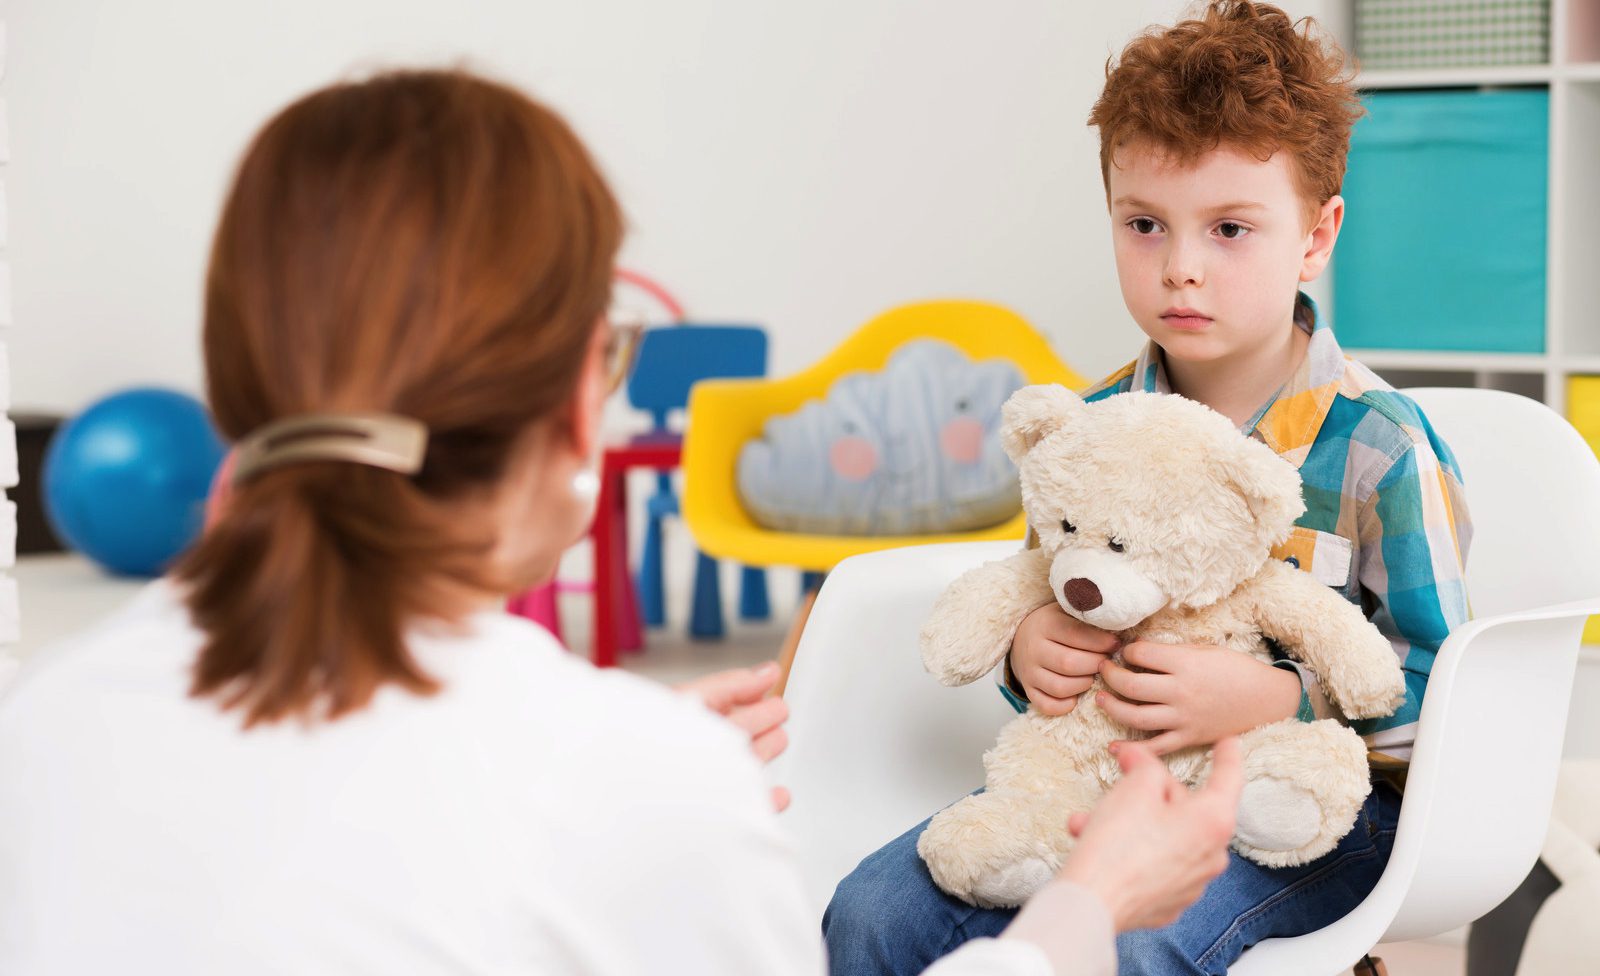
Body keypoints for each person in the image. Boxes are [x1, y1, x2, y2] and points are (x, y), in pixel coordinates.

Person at [0, 69, 1245, 976]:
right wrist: (1092, 901)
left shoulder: (47, 712)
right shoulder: (621, 785)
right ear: (566, 406)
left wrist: (622, 755)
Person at [822, 3, 1474, 974]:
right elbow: (1045, 595)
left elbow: (1448, 703)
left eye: (1228, 228)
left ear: (1314, 234)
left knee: (1127, 943)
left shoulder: (1378, 445)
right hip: (1111, 775)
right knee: (872, 911)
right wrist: (1028, 648)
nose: (1180, 267)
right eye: (1143, 224)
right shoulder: (1089, 430)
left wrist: (1273, 698)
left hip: (1314, 809)